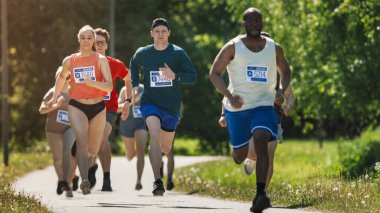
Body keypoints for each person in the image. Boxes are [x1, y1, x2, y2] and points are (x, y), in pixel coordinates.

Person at [209, 8, 292, 213]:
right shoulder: (233, 47)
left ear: (262, 23)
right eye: (250, 20)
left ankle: (261, 194)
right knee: (240, 155)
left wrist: (280, 90)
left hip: (263, 106)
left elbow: (286, 70)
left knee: (262, 139)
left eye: (258, 20)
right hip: (237, 110)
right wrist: (229, 97)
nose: (254, 24)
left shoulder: (274, 48)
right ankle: (239, 154)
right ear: (243, 23)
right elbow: (214, 73)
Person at [130, 18, 197, 196]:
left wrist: (175, 75)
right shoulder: (144, 53)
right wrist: (135, 85)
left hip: (171, 108)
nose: (160, 34)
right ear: (151, 33)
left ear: (169, 33)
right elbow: (133, 64)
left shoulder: (178, 53)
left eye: (164, 31)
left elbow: (193, 76)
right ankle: (157, 180)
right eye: (157, 31)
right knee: (154, 134)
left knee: (166, 147)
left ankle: (160, 159)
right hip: (150, 103)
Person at [48, 25, 113, 195]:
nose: (86, 41)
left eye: (89, 38)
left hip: (98, 107)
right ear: (78, 39)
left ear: (93, 40)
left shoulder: (101, 60)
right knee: (81, 141)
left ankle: (88, 168)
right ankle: (84, 179)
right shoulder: (70, 60)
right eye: (82, 37)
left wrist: (93, 83)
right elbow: (61, 78)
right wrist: (55, 97)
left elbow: (109, 87)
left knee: (93, 149)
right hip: (76, 106)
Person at [90, 27, 132, 192]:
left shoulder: (114, 64)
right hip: (88, 107)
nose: (99, 45)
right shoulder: (84, 62)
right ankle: (91, 167)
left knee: (101, 138)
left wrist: (128, 100)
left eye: (102, 42)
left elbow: (129, 79)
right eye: (96, 43)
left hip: (109, 108)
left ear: (106, 45)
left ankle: (106, 178)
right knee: (90, 142)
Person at [118, 84, 148, 190]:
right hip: (127, 124)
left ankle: (139, 180)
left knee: (140, 151)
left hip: (141, 123)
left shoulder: (144, 88)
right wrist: (130, 100)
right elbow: (117, 108)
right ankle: (130, 152)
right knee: (130, 155)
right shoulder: (124, 90)